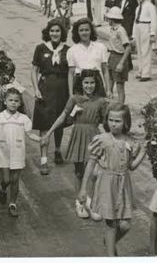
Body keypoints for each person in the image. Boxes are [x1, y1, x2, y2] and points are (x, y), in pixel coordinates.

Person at [81, 104, 146, 257]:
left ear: (126, 122)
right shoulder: (102, 140)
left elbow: (131, 166)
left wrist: (143, 152)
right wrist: (83, 188)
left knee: (125, 225)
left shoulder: (129, 141)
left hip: (123, 184)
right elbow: (91, 164)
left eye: (118, 121)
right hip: (107, 183)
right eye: (110, 120)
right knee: (111, 223)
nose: (113, 124)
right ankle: (111, 255)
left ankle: (109, 242)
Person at [43, 69, 108, 220]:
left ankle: (91, 202)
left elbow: (107, 123)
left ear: (96, 83)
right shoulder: (74, 99)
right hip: (78, 135)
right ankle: (80, 202)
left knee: (94, 173)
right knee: (79, 171)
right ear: (81, 83)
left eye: (92, 83)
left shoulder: (101, 101)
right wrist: (48, 133)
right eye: (86, 83)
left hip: (94, 136)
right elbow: (63, 118)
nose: (89, 86)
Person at [0, 87, 40, 217]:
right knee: (6, 179)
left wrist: (40, 139)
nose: (13, 103)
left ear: (20, 103)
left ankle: (12, 204)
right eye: (10, 100)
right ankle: (4, 189)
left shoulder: (23, 119)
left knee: (15, 179)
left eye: (16, 101)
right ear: (5, 101)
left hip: (17, 152)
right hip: (2, 151)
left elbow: (30, 134)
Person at [31, 19, 70, 174]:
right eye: (52, 31)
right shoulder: (40, 48)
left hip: (62, 90)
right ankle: (44, 159)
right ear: (48, 32)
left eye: (58, 31)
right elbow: (34, 70)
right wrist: (36, 89)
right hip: (45, 89)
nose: (55, 34)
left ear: (62, 33)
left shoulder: (67, 49)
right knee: (44, 124)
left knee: (59, 121)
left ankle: (58, 150)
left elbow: (72, 73)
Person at [67, 18, 110, 98]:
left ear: (91, 31)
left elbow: (105, 70)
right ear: (77, 32)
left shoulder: (100, 47)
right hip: (79, 82)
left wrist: (108, 89)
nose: (84, 33)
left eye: (87, 30)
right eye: (81, 30)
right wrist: (71, 94)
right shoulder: (72, 50)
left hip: (96, 81)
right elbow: (71, 73)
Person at [101, 7, 132, 103]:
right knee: (109, 82)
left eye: (109, 18)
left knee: (119, 85)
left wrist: (121, 63)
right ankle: (108, 103)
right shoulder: (112, 29)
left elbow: (128, 47)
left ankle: (121, 106)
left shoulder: (120, 30)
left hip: (119, 57)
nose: (108, 20)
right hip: (112, 56)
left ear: (112, 19)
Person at [133, 0, 156, 82]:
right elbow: (135, 21)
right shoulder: (138, 8)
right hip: (138, 27)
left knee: (146, 50)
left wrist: (152, 33)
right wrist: (133, 35)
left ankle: (146, 74)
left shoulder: (150, 6)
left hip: (146, 27)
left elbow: (154, 20)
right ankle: (141, 70)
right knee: (139, 50)